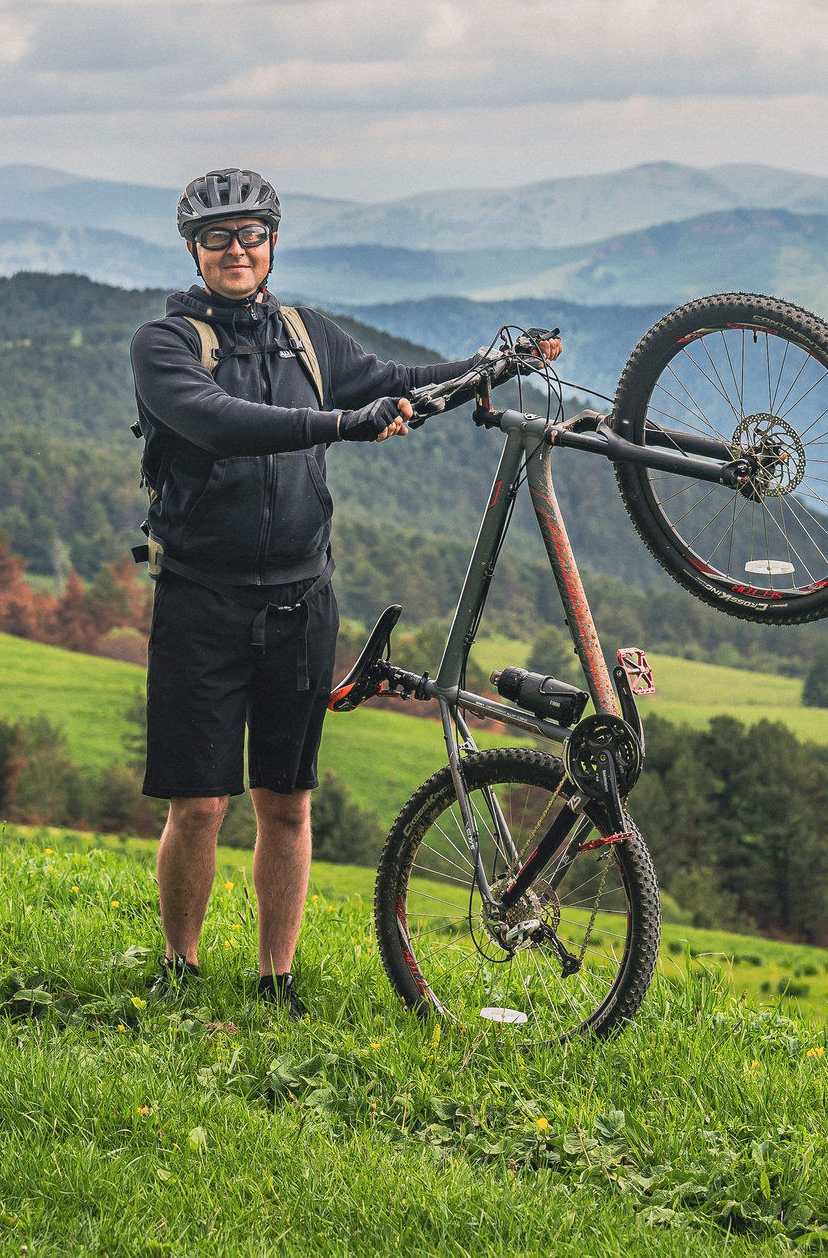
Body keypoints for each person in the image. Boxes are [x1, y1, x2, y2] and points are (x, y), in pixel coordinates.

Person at [130, 168, 552, 1012]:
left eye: (252, 234)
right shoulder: (164, 344)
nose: (237, 250)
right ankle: (179, 966)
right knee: (199, 803)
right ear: (193, 250)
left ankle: (275, 979)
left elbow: (396, 381)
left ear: (273, 243)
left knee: (286, 801)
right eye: (218, 238)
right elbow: (216, 420)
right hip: (200, 602)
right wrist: (340, 424)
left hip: (299, 600)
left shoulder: (305, 335)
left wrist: (492, 365)